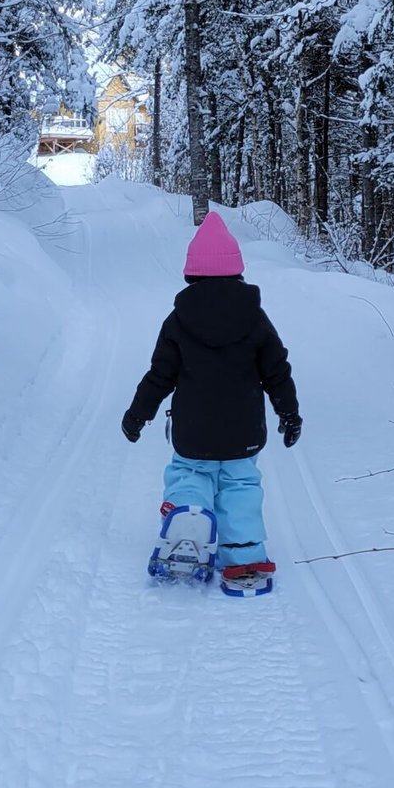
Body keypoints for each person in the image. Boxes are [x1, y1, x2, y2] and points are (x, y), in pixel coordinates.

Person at [121, 210, 301, 595]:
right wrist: (290, 414)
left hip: (194, 430)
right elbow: (277, 371)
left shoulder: (178, 320)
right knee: (241, 487)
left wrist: (138, 415)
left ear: (192, 271)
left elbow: (160, 375)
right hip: (243, 432)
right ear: (236, 268)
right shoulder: (256, 318)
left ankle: (189, 516)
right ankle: (245, 557)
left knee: (190, 475)